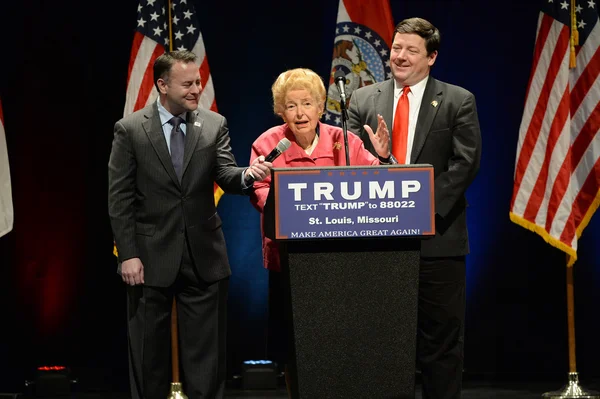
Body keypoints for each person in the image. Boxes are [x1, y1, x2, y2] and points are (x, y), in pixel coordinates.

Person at [108, 50, 272, 399]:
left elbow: (226, 175)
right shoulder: (131, 129)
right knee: (147, 357)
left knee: (206, 359)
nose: (197, 88)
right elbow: (119, 199)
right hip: (149, 257)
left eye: (198, 81)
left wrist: (247, 175)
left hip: (204, 257)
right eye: (188, 83)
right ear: (162, 85)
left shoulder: (214, 124)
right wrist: (129, 254)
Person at [347, 17, 482, 399]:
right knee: (384, 342)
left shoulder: (458, 100)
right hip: (378, 239)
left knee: (441, 343)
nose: (400, 57)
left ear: (432, 57)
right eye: (396, 48)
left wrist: (420, 209)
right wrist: (384, 160)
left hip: (438, 238)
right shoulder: (363, 99)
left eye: (411, 50)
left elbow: (465, 164)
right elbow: (351, 166)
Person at [247, 67, 393, 388]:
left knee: (341, 344)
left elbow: (380, 187)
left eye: (308, 103)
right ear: (280, 110)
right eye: (291, 105)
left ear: (321, 106)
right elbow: (261, 196)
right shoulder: (268, 144)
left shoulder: (344, 140)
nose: (300, 113)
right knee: (295, 347)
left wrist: (383, 159)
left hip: (342, 262)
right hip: (289, 262)